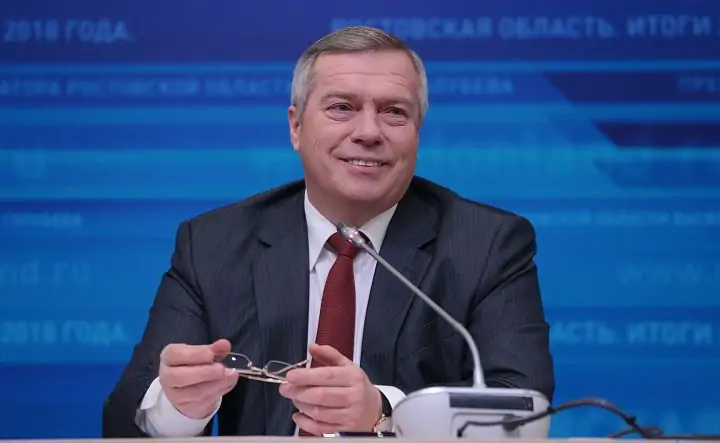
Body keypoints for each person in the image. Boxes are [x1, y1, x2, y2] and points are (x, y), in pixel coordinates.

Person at [102, 25, 554, 438]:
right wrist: (179, 408)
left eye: (394, 112)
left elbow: (521, 413)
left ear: (418, 131)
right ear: (296, 127)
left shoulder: (487, 243)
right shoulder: (213, 244)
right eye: (342, 108)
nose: (369, 131)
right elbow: (123, 419)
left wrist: (385, 413)